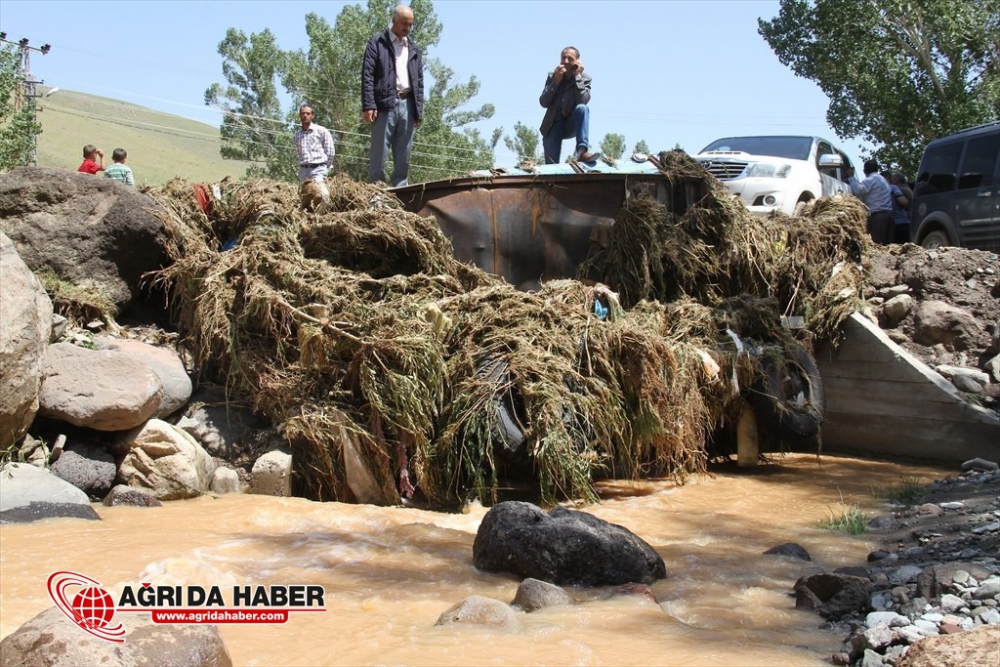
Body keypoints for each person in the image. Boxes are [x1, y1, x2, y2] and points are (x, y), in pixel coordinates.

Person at [362, 4, 424, 187]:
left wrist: (418, 111)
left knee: (403, 153)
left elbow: (419, 82)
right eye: (405, 23)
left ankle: (400, 192)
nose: (407, 28)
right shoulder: (377, 43)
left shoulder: (413, 49)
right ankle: (376, 191)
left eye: (410, 24)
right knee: (379, 152)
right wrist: (369, 104)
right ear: (394, 20)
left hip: (408, 104)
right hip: (384, 104)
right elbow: (367, 75)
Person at [539, 46, 598, 164]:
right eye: (563, 58)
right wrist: (555, 82)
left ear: (577, 61)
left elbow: (583, 100)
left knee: (583, 109)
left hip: (571, 124)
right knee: (551, 166)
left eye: (570, 58)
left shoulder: (585, 78)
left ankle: (582, 153)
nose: (565, 61)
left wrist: (578, 77)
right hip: (552, 126)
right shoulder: (553, 76)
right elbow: (543, 102)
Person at [845, 159, 894, 244]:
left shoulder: (870, 180)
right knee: (887, 245)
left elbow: (858, 190)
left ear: (864, 170)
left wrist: (851, 177)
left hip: (878, 217)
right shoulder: (882, 180)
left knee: (878, 244)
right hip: (888, 216)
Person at [294, 104, 335, 203]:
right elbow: (298, 152)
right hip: (304, 171)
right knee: (304, 199)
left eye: (308, 113)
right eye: (303, 113)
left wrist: (325, 166)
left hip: (318, 170)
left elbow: (330, 151)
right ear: (300, 115)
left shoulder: (321, 131)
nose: (305, 115)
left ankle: (320, 217)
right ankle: (307, 218)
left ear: (312, 115)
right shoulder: (297, 135)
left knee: (323, 196)